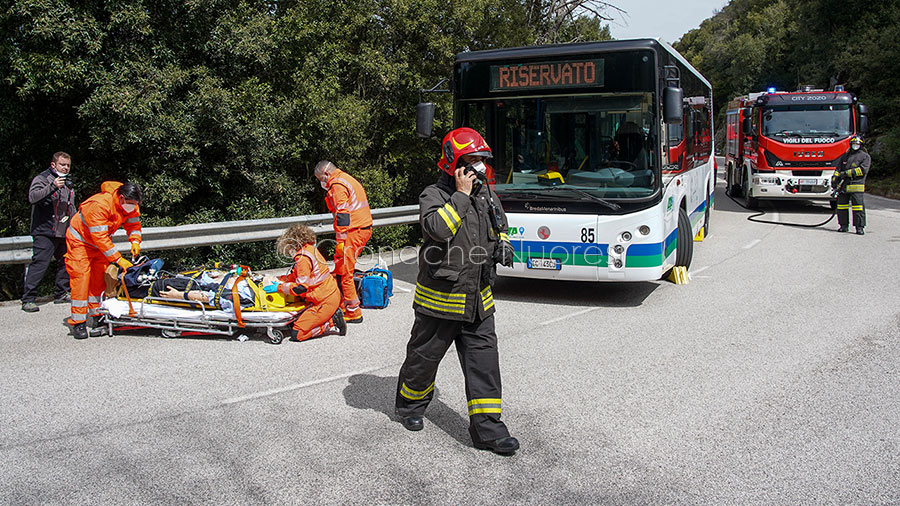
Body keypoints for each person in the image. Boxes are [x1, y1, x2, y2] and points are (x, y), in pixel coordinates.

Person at [394, 127, 518, 455]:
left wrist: (504, 243)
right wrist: (461, 196)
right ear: (454, 163)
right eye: (472, 160)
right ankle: (410, 407)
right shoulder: (434, 194)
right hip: (442, 298)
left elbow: (500, 224)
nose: (479, 166)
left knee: (484, 363)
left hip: (478, 299)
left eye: (481, 160)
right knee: (423, 359)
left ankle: (488, 430)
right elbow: (438, 229)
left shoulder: (486, 194)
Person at [65, 181, 143, 339]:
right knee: (81, 280)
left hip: (98, 245)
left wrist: (135, 241)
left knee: (99, 280)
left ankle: (96, 315)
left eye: (136, 204)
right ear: (121, 198)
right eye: (131, 203)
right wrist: (119, 260)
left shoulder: (130, 204)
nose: (133, 207)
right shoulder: (100, 205)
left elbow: (134, 224)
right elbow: (99, 238)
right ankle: (78, 323)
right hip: (80, 242)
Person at [264, 224, 346, 341]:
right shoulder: (310, 250)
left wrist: (279, 288)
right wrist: (280, 279)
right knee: (294, 323)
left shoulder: (302, 259)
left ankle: (331, 322)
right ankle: (329, 315)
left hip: (323, 302)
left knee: (297, 333)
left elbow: (300, 288)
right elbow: (298, 276)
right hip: (328, 295)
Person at [314, 160, 373, 323]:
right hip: (359, 229)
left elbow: (343, 214)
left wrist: (340, 241)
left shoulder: (337, 184)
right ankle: (339, 305)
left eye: (320, 178)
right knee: (341, 269)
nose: (321, 183)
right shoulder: (345, 178)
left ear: (326, 174)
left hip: (354, 231)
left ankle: (354, 312)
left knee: (345, 272)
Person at [21, 152, 77, 313]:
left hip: (64, 230)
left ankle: (61, 293)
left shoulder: (67, 182)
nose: (65, 168)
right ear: (53, 165)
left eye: (68, 165)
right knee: (40, 264)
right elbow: (33, 197)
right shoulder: (43, 178)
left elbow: (70, 206)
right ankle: (28, 299)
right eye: (62, 165)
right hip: (45, 230)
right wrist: (52, 186)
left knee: (66, 262)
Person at [832, 135, 871, 235]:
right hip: (843, 186)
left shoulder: (864, 156)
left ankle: (859, 227)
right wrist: (835, 179)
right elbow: (838, 169)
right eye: (853, 144)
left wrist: (847, 173)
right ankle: (843, 225)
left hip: (856, 186)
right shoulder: (845, 156)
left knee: (858, 208)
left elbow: (862, 170)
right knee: (841, 207)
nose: (855, 146)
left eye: (857, 144)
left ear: (861, 145)